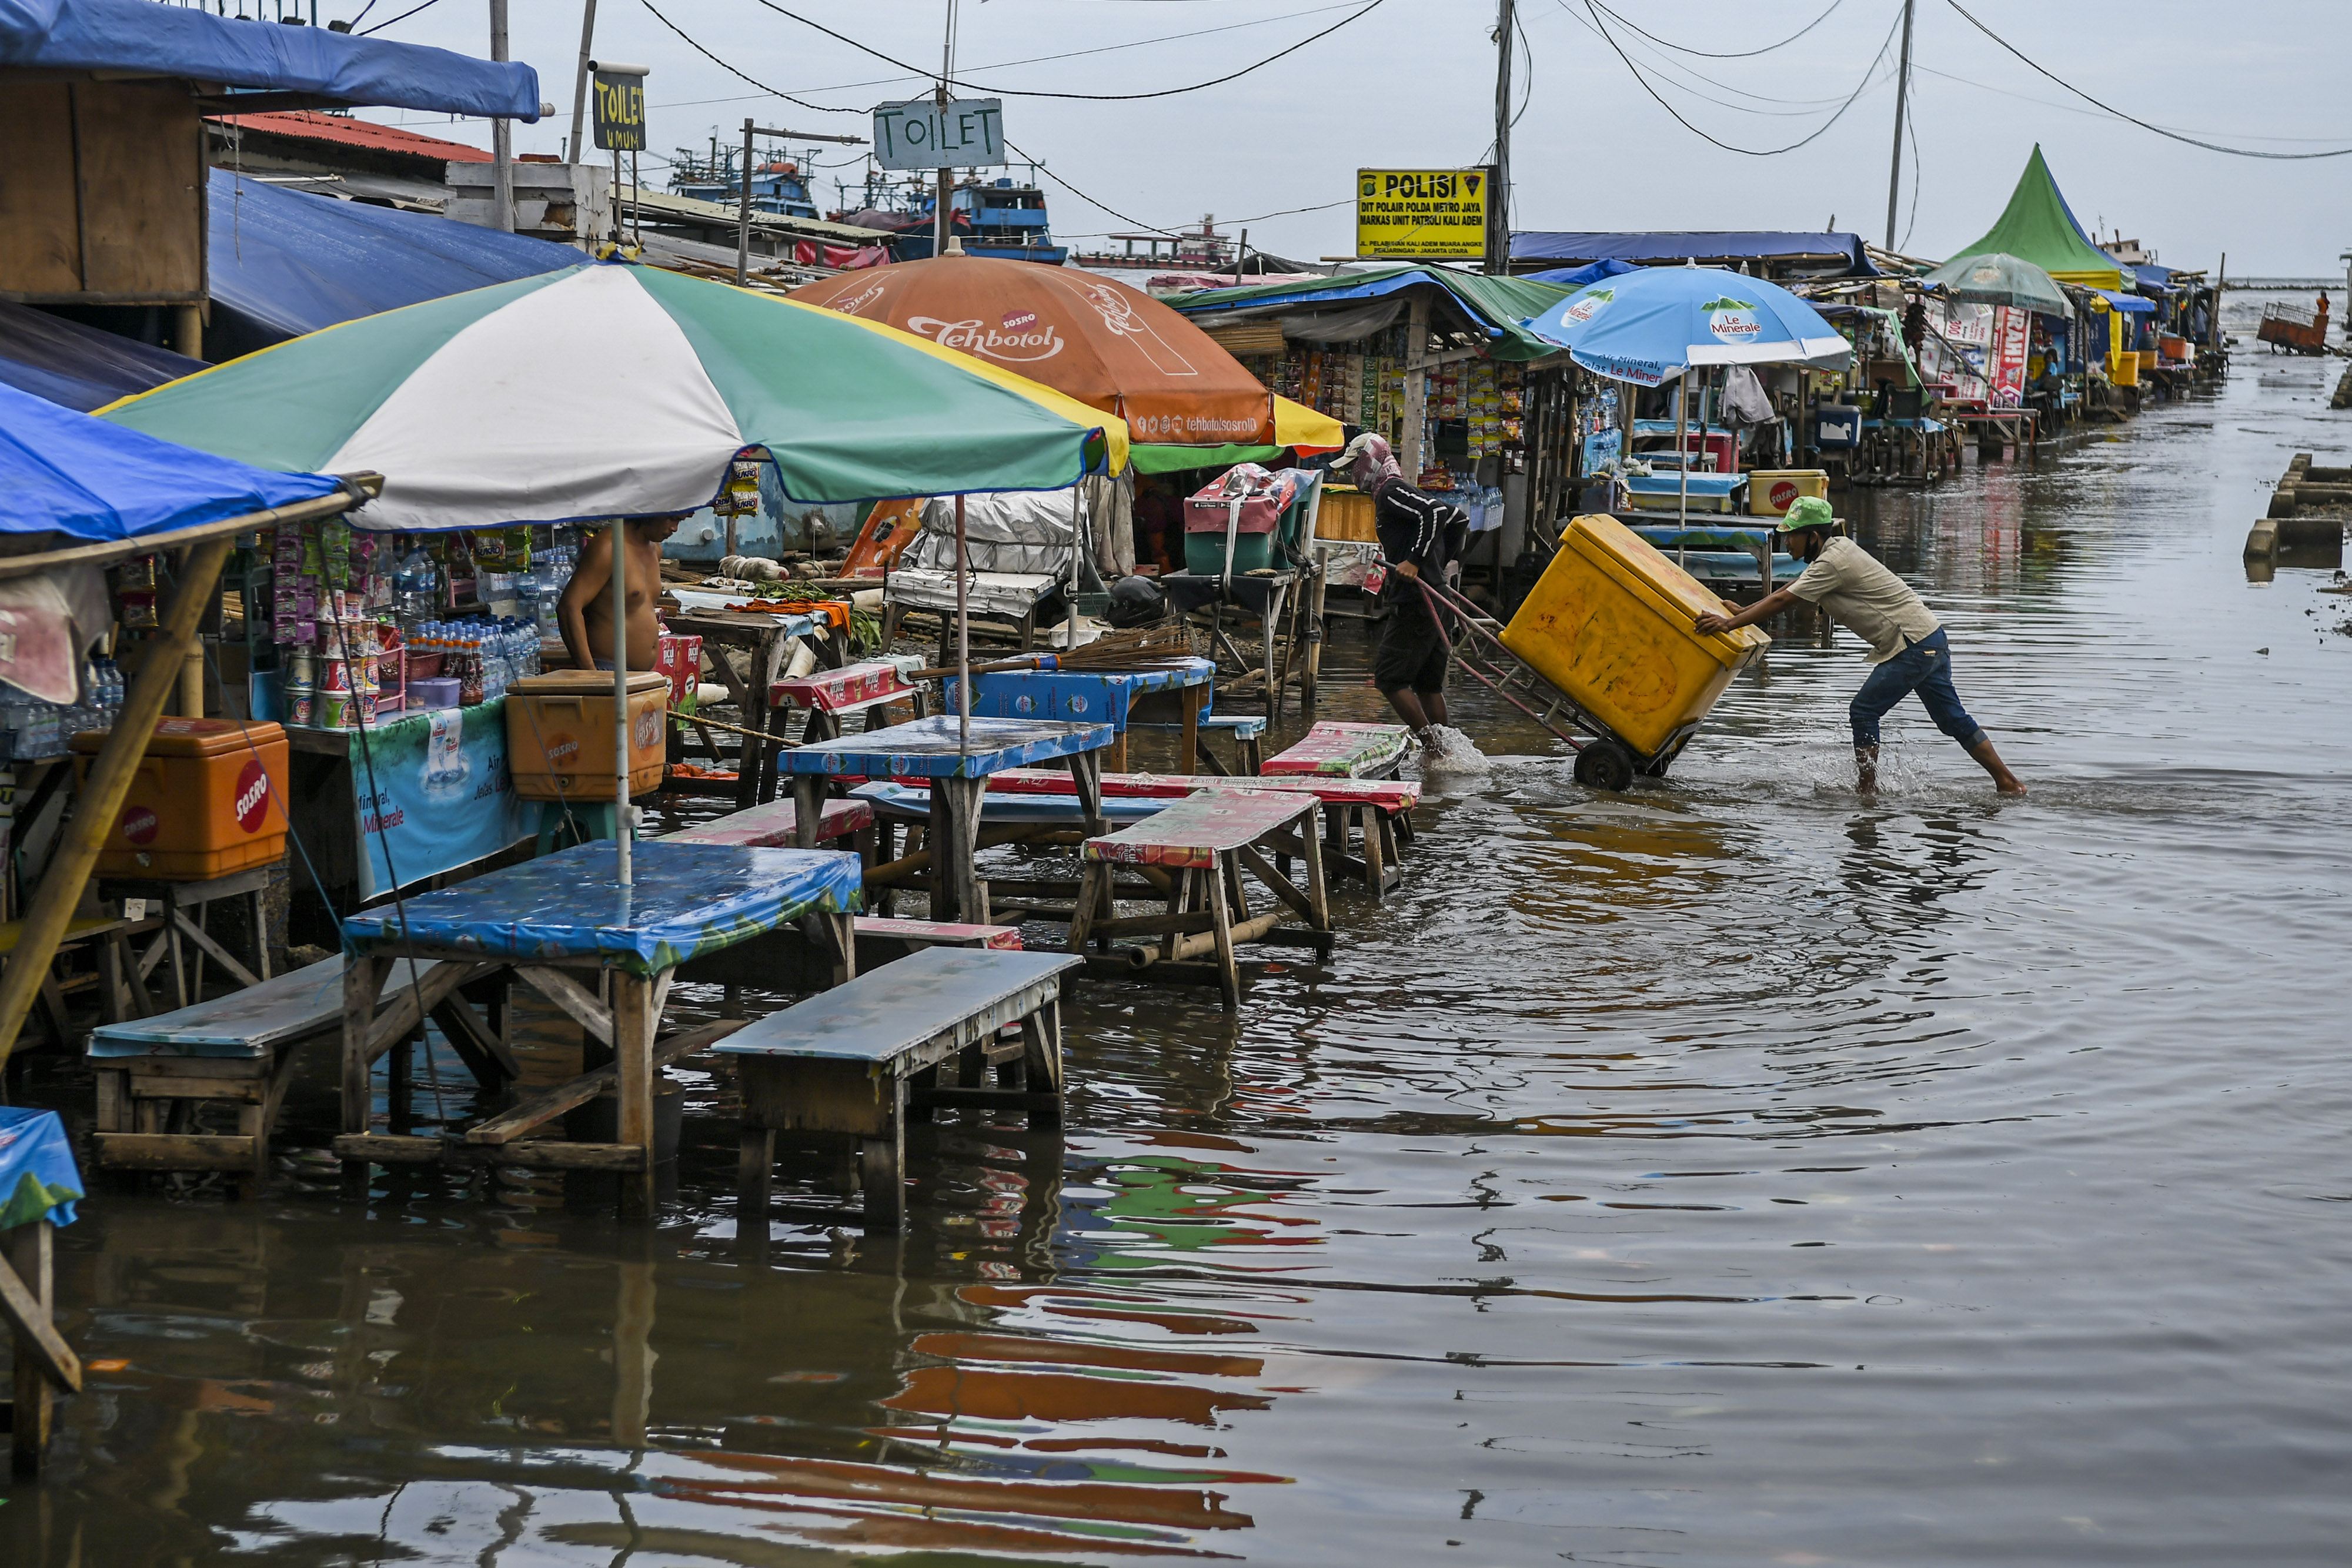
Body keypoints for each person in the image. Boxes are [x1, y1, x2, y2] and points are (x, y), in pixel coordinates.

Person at [1694, 496, 2024, 795]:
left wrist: (1728, 623)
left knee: (1864, 710)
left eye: (1791, 535)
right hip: (1930, 638)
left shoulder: (1831, 562)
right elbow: (1791, 590)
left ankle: (1867, 792)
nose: (1787, 542)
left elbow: (1784, 600)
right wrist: (1746, 614)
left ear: (1813, 537)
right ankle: (2007, 783)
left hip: (1911, 644)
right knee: (1953, 720)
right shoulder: (1834, 553)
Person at [1341, 433, 1466, 744]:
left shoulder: (1390, 491)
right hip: (1434, 597)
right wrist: (1436, 566)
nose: (1351, 473)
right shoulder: (1395, 491)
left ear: (1368, 462)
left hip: (1416, 602)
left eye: (1353, 465)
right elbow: (1457, 518)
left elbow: (1437, 513)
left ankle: (1434, 748)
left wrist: (1416, 561)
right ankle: (1446, 753)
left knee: (1389, 679)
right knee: (1428, 685)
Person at [558, 514, 683, 671]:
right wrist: (590, 672)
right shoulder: (609, 546)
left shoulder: (655, 549)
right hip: (607, 671)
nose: (675, 528)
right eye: (672, 519)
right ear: (652, 510)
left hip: (642, 675)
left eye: (680, 521)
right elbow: (569, 607)